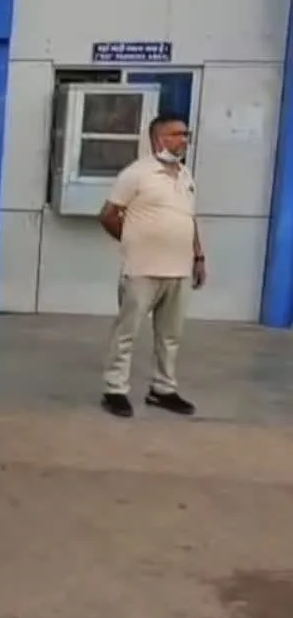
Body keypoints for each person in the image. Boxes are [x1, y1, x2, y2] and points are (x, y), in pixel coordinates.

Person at [98, 112, 204, 418]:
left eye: (186, 134)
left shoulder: (185, 175)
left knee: (170, 335)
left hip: (179, 270)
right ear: (157, 138)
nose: (183, 140)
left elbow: (189, 220)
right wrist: (132, 241)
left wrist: (198, 257)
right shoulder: (136, 173)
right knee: (126, 332)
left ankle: (163, 389)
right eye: (176, 134)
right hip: (142, 269)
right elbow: (108, 215)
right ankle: (115, 390)